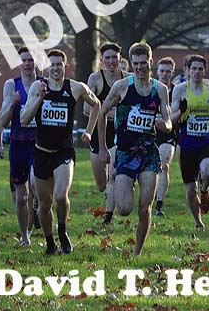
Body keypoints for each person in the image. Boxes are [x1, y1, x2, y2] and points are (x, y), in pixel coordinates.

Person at [20, 49, 100, 255]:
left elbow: (97, 105)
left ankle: (62, 231)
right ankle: (50, 243)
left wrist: (89, 131)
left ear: (66, 66)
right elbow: (23, 119)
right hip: (41, 152)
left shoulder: (75, 88)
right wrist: (39, 99)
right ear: (47, 68)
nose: (55, 68)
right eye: (52, 65)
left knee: (60, 196)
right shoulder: (38, 87)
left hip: (64, 152)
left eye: (59, 64)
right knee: (44, 204)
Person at [98, 42, 172, 256]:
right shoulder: (122, 87)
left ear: (151, 62)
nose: (140, 67)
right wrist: (103, 148)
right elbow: (102, 114)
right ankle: (126, 184)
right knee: (124, 209)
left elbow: (168, 121)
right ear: (131, 63)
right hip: (124, 153)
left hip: (149, 153)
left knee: (144, 208)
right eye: (136, 63)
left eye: (144, 63)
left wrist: (162, 124)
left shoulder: (160, 89)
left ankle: (137, 253)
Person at [170, 55, 209, 231]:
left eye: (200, 69)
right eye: (194, 69)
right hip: (187, 144)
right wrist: (181, 111)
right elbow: (171, 120)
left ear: (204, 71)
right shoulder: (180, 91)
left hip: (206, 141)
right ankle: (199, 222)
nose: (197, 72)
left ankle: (204, 190)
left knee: (208, 172)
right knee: (190, 190)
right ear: (187, 70)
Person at [0, 47, 39, 247]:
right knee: (21, 198)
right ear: (19, 63)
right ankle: (25, 236)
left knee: (35, 186)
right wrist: (12, 104)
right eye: (24, 60)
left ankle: (37, 209)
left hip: (39, 144)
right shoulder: (11, 85)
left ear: (36, 63)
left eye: (31, 60)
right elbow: (2, 120)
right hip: (18, 145)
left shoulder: (44, 85)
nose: (27, 63)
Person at [84, 43, 123, 225]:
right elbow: (86, 108)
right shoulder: (95, 79)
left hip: (119, 134)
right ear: (101, 60)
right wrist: (107, 113)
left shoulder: (127, 79)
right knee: (101, 185)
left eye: (114, 57)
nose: (111, 61)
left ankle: (108, 217)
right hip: (99, 134)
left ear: (120, 59)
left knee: (114, 174)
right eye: (107, 58)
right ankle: (108, 189)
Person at [153, 56, 178, 217]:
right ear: (157, 72)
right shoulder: (150, 87)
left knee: (164, 164)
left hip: (168, 133)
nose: (165, 74)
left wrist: (167, 120)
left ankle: (159, 205)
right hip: (148, 132)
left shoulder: (177, 91)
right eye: (162, 71)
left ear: (172, 73)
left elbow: (175, 115)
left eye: (168, 71)